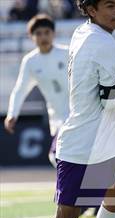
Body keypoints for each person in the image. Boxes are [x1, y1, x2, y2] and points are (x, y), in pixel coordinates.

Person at [7, 0, 115, 218]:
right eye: (109, 5)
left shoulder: (84, 32)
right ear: (91, 10)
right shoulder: (103, 43)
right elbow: (110, 99)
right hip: (83, 143)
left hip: (100, 139)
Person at [4, 14, 69, 167]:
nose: (43, 37)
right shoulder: (31, 62)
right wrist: (12, 114)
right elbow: (20, 89)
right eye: (38, 33)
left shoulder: (67, 53)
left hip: (79, 113)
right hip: (58, 117)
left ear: (53, 33)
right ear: (31, 37)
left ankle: (75, 187)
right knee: (61, 157)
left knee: (57, 155)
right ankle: (75, 188)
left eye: (47, 32)